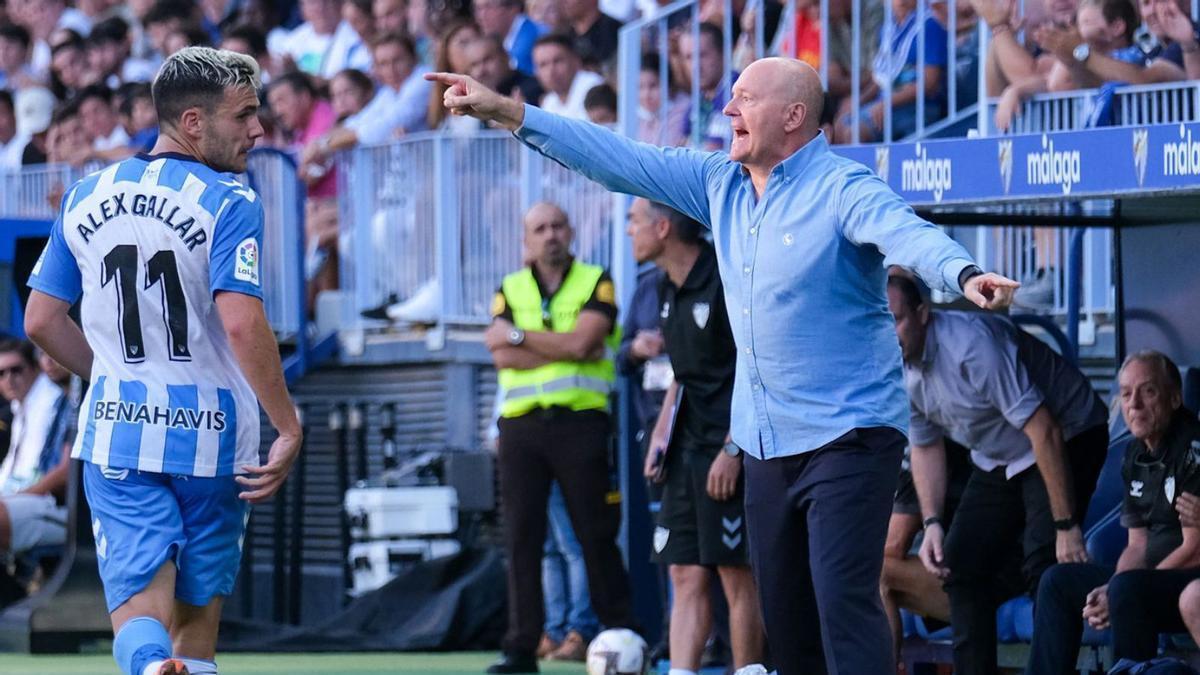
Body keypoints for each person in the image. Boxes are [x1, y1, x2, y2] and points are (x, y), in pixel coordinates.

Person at [427, 55, 1018, 675]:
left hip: (851, 434)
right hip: (766, 439)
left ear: (793, 116)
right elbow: (617, 157)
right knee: (785, 622)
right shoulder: (719, 182)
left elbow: (907, 233)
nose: (728, 111)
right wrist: (505, 111)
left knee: (843, 600)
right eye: (729, 98)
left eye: (744, 99)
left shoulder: (844, 188)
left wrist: (964, 273)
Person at [24, 46, 303, 675]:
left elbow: (40, 320)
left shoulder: (86, 194)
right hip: (213, 444)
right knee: (197, 630)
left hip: (120, 436)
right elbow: (241, 321)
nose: (258, 129)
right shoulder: (232, 200)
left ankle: (149, 667)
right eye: (245, 114)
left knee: (139, 612)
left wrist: (117, 378)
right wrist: (287, 423)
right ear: (195, 122)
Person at [888, 274, 1109, 675]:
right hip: (1000, 453)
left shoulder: (972, 346)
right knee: (960, 564)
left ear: (923, 314)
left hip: (1069, 432)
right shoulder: (896, 368)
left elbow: (1044, 429)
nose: (888, 335)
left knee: (1047, 562)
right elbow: (924, 446)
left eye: (896, 320)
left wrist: (1066, 524)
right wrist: (933, 522)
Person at [485, 202, 635, 674]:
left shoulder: (597, 279)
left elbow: (584, 343)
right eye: (539, 229)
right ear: (525, 241)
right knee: (522, 539)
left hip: (581, 423)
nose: (550, 235)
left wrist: (519, 338)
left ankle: (619, 633)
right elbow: (501, 356)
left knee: (595, 535)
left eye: (557, 226)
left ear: (571, 232)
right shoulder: (508, 287)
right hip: (521, 427)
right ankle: (522, 647)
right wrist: (558, 348)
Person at [629, 198, 765, 674]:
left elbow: (755, 370)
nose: (629, 231)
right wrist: (661, 439)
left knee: (736, 575)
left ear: (663, 228)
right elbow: (683, 377)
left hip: (730, 449)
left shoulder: (725, 277)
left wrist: (733, 448)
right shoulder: (664, 287)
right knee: (683, 571)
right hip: (685, 451)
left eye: (634, 221)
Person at [1026, 351, 1200, 673]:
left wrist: (1121, 588)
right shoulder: (1135, 452)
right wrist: (1108, 589)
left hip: (1187, 580)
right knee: (1056, 581)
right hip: (1149, 579)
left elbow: (1194, 549)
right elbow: (1137, 545)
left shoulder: (1192, 449)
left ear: (1174, 398)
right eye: (1125, 393)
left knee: (1127, 590)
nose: (1133, 405)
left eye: (1147, 391)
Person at [0, 339, 72, 559]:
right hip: (22, 497)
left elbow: (66, 472)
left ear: (34, 370)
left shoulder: (61, 400)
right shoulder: (15, 410)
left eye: (16, 370)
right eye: (1, 373)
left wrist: (16, 496)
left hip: (56, 505)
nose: (9, 380)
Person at [532, 33, 603, 121]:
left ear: (576, 61)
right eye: (543, 65)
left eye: (557, 61)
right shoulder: (549, 102)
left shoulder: (594, 86)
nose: (551, 71)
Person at [473, 0, 546, 76]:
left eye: (488, 7)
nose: (481, 16)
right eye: (478, 8)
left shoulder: (534, 38)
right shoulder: (506, 39)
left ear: (513, 8)